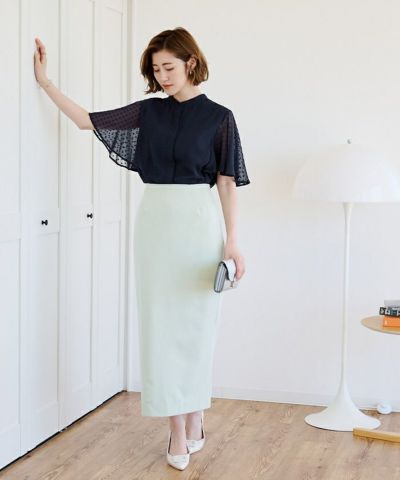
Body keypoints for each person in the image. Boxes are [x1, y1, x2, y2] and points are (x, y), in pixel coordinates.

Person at [34, 26, 250, 471]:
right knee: (160, 328)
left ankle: (195, 412)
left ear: (191, 63)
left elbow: (227, 182)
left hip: (199, 225)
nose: (162, 76)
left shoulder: (220, 118)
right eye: (156, 69)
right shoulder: (148, 113)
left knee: (196, 329)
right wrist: (45, 82)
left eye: (169, 67)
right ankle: (177, 428)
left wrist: (232, 240)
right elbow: (85, 121)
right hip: (155, 226)